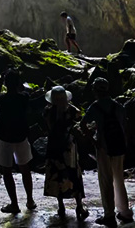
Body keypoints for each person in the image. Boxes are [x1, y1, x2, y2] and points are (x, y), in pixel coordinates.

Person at [80, 77, 132, 227]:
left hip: (103, 147)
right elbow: (125, 125)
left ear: (95, 91)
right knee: (119, 179)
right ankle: (124, 212)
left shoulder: (95, 107)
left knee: (106, 180)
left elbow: (83, 124)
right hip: (119, 146)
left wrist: (93, 140)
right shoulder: (118, 106)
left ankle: (109, 215)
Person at [43, 86, 89, 220]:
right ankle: (79, 206)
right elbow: (79, 120)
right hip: (69, 147)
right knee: (73, 173)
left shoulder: (48, 111)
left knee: (56, 174)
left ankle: (61, 206)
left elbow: (49, 127)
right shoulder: (72, 111)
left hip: (53, 146)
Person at [0, 70, 36, 214]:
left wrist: (0, 81)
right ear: (18, 84)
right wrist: (18, 84)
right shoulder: (23, 97)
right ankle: (30, 200)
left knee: (7, 171)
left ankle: (14, 204)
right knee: (25, 169)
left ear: (6, 84)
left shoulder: (1, 99)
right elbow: (24, 91)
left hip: (5, 138)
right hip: (21, 137)